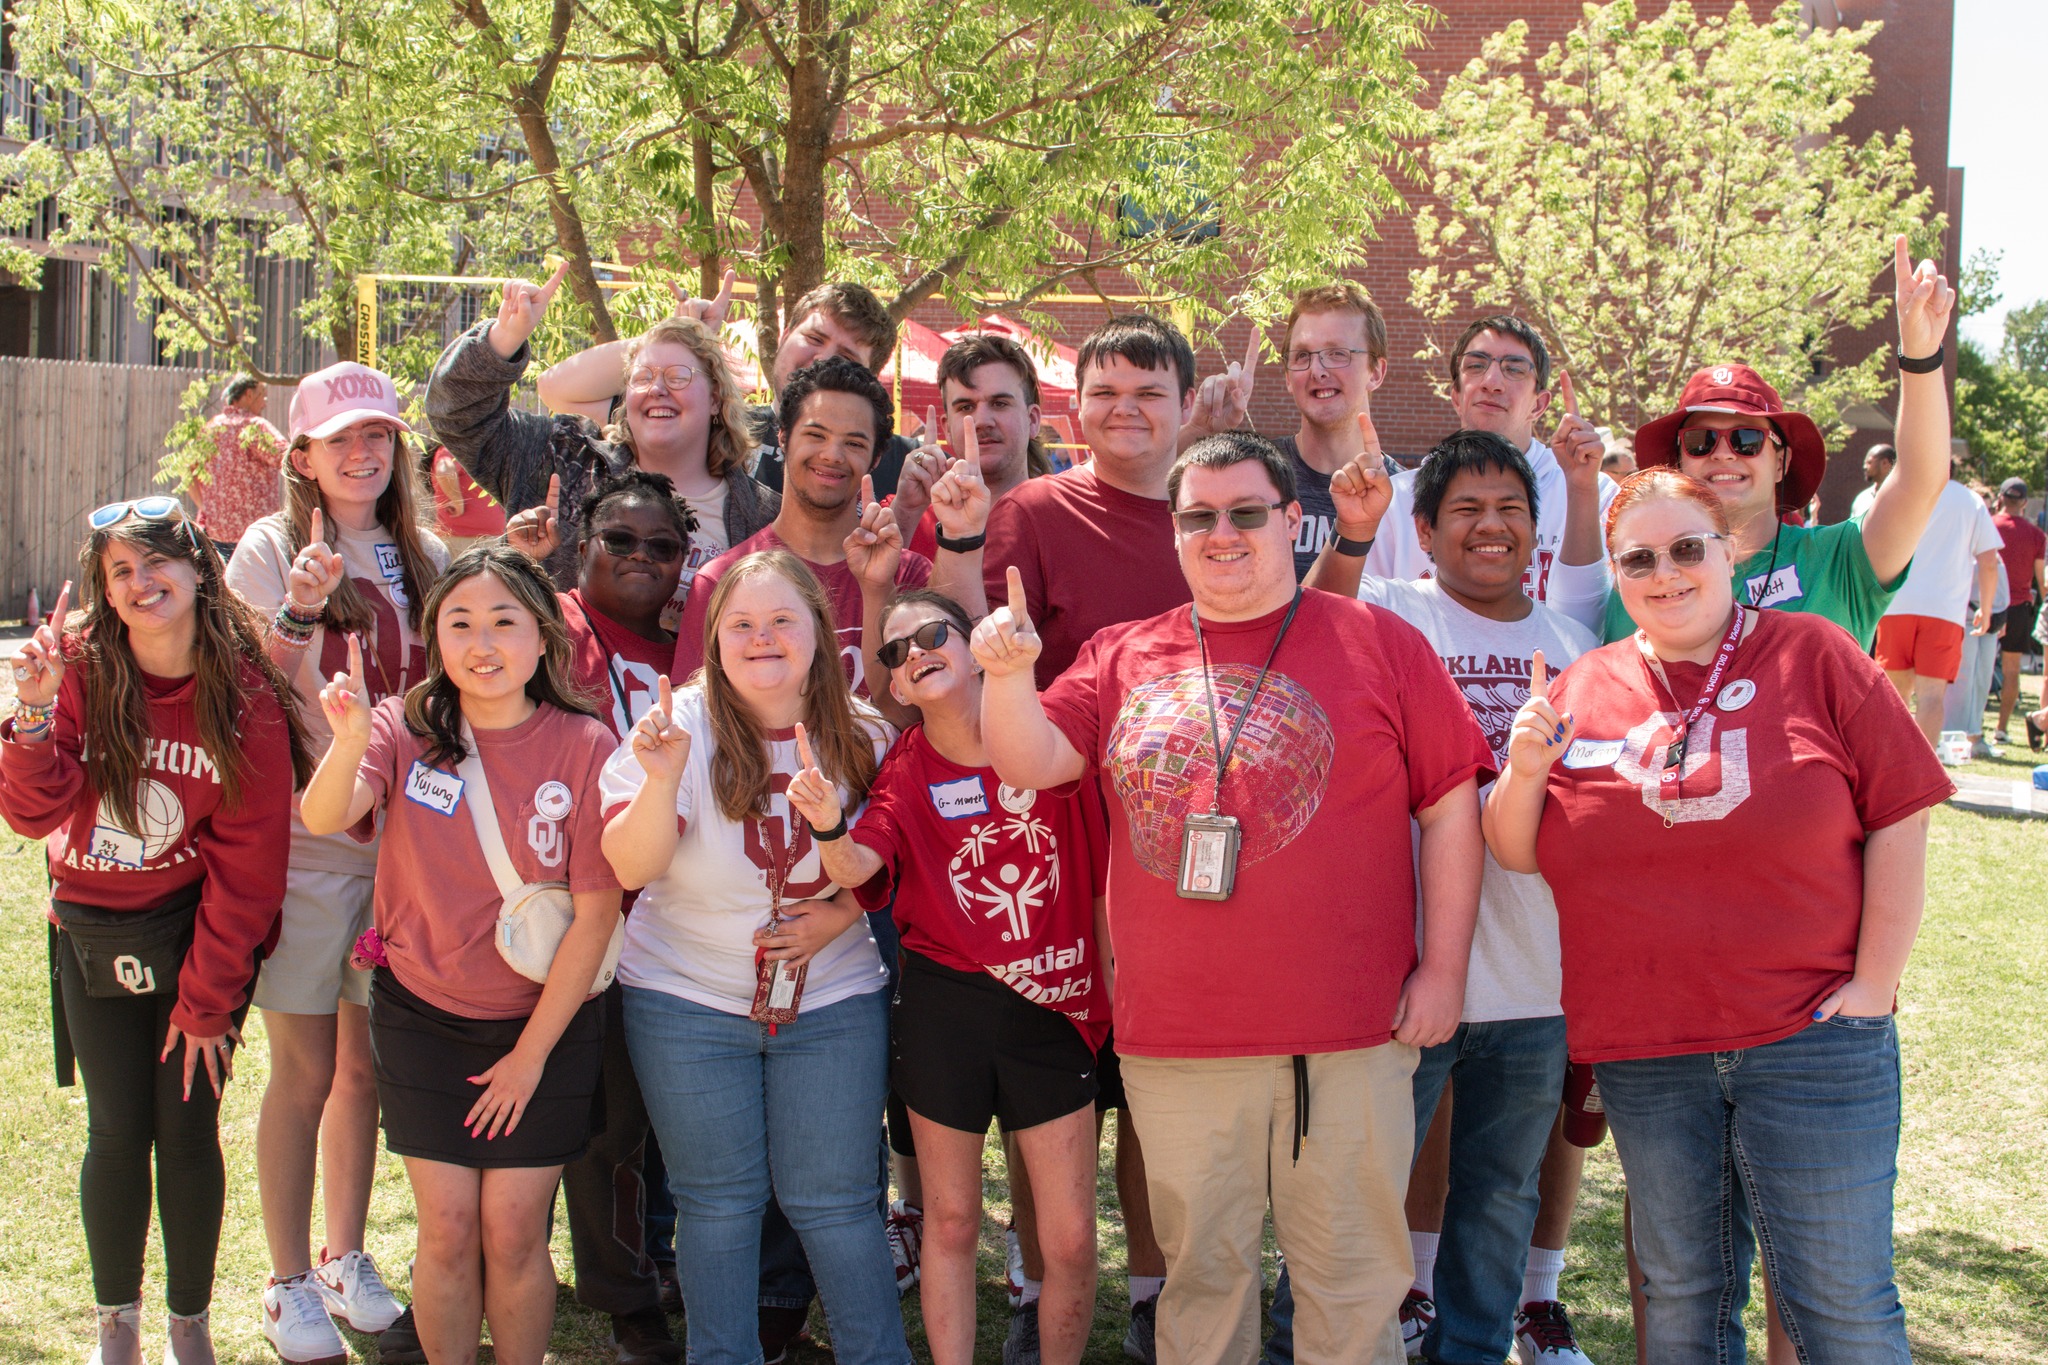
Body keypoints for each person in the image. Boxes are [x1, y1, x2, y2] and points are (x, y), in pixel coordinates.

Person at [976, 430, 1492, 1365]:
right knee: (1201, 1291)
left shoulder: (1382, 642)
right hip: (1180, 1038)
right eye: (1199, 515)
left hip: (1350, 1036)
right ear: (1174, 534)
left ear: (1294, 522)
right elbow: (1031, 758)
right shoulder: (1119, 653)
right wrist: (1009, 676)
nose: (1224, 533)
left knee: (1350, 1289)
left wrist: (1446, 968)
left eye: (1247, 510)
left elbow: (1452, 806)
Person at [1484, 467, 1953, 1364]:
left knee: (1841, 1306)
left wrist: (1874, 985)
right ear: (1616, 574)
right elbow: (1515, 847)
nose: (1666, 573)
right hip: (1649, 1051)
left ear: (1730, 550)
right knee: (1682, 1300)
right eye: (1640, 558)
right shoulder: (1585, 681)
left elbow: (1901, 809)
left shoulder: (1814, 652)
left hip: (1810, 1036)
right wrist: (1527, 764)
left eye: (1687, 548)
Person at [1301, 427, 1605, 1364]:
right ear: (1424, 531)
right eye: (1466, 508)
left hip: (1530, 981)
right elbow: (1305, 635)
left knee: (1501, 1194)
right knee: (1353, 1189)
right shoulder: (1390, 612)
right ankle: (1309, 1345)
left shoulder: (1577, 645)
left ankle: (1470, 1350)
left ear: (1536, 530)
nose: (1491, 526)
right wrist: (1353, 536)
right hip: (1398, 973)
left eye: (1510, 508)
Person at [298, 545, 624, 1365]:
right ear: (435, 636)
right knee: (445, 1233)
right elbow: (326, 813)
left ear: (543, 638)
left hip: (544, 1026)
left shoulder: (586, 745)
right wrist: (342, 739)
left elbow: (595, 915)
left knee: (514, 1235)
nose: (483, 642)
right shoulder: (402, 727)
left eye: (505, 622)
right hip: (420, 1016)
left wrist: (527, 1059)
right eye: (461, 622)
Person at [2, 502, 309, 1365]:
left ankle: (188, 1325)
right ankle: (117, 1326)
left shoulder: (242, 690)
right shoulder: (80, 671)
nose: (143, 584)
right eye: (121, 572)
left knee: (185, 1127)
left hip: (194, 935)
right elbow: (32, 814)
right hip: (92, 927)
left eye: (157, 564)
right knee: (115, 1127)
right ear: (104, 590)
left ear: (198, 570)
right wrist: (28, 717)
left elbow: (250, 868)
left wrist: (208, 1002)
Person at [782, 588, 1110, 1365]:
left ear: (971, 646)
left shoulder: (1050, 730)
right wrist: (828, 823)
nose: (916, 651)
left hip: (1052, 1006)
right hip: (943, 1009)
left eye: (933, 633)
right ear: (893, 684)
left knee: (1068, 1241)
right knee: (953, 1221)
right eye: (895, 650)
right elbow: (864, 866)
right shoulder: (905, 766)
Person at [600, 551, 910, 1365]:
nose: (762, 637)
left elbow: (900, 863)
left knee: (836, 1203)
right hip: (686, 998)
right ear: (713, 638)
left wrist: (837, 917)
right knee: (718, 1203)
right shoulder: (676, 725)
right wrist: (660, 782)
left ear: (819, 629)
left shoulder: (867, 733)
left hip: (832, 1001)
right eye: (741, 623)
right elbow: (629, 867)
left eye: (781, 620)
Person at [980, 311, 1202, 1360]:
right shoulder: (1030, 510)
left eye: (1147, 392)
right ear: (1074, 407)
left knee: (1157, 1088)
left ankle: (1156, 1293)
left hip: (1183, 853)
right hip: (1056, 842)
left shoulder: (1212, 517)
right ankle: (1036, 1288)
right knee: (1052, 1092)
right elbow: (994, 664)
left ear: (1185, 407)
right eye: (1104, 392)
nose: (1125, 412)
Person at [224, 360, 445, 1362]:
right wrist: (306, 608)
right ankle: (282, 1284)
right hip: (309, 846)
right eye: (342, 438)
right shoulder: (271, 549)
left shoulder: (421, 550)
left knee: (365, 1069)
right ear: (300, 457)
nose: (364, 454)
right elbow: (247, 689)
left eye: (379, 436)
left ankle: (343, 1257)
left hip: (401, 848)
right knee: (304, 1072)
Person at [1604, 235, 1957, 650]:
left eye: (1748, 439)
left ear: (1781, 462)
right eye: (1700, 441)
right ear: (1679, 464)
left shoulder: (1838, 562)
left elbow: (1920, 479)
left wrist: (1920, 355)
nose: (1723, 452)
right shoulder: (1642, 580)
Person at [553, 469, 696, 1364]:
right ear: (585, 546)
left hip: (685, 912)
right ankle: (624, 1295)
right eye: (621, 540)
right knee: (605, 1124)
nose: (641, 558)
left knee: (663, 1118)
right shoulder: (555, 624)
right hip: (589, 909)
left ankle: (658, 1259)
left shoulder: (697, 643)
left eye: (663, 546)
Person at [426, 264, 778, 598]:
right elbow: (459, 415)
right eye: (642, 377)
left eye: (678, 377)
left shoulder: (762, 517)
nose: (657, 389)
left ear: (715, 399)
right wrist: (505, 338)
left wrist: (686, 341)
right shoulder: (566, 464)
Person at [676, 356, 984, 693]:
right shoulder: (721, 581)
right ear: (782, 437)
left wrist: (960, 533)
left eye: (853, 443)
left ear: (875, 458)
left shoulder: (910, 577)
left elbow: (962, 692)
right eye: (816, 434)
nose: (832, 455)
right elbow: (694, 722)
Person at [537, 275, 920, 499]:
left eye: (847, 357)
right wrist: (683, 342)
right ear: (785, 335)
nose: (822, 359)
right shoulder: (714, 423)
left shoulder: (900, 462)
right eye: (815, 339)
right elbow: (558, 390)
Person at [1363, 314, 1619, 614]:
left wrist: (1581, 489)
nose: (1492, 382)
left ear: (1539, 404)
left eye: (1514, 369)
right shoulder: (1395, 499)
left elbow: (1601, 619)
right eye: (1475, 365)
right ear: (1456, 395)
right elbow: (1361, 617)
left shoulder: (1596, 493)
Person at [888, 332, 1056, 561]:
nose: (982, 421)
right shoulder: (908, 510)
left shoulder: (1065, 516)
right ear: (946, 427)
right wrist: (906, 513)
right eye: (966, 407)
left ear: (1033, 420)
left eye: (999, 404)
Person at [1269, 282, 1395, 580]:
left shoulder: (1405, 497)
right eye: (1302, 356)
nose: (1317, 370)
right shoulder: (1255, 480)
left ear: (1375, 372)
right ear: (1288, 376)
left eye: (1338, 353)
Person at [1872, 459, 2000, 749]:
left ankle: (1891, 766)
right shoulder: (1971, 500)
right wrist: (1987, 608)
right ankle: (1923, 778)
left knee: (1895, 693)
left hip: (1897, 602)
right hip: (1945, 609)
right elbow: (1989, 562)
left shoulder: (1904, 490)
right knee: (1932, 696)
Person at [190, 373, 285, 559]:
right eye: (262, 395)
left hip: (216, 534)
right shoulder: (255, 427)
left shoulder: (211, 428)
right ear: (249, 394)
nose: (265, 402)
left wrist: (206, 507)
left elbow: (189, 473)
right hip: (256, 538)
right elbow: (291, 460)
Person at [1990, 477, 2046, 744]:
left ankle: (1969, 728)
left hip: (1985, 606)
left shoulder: (1988, 525)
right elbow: (2041, 579)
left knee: (1974, 669)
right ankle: (2001, 730)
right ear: (2024, 502)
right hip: (2018, 609)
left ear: (2001, 498)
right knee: (2012, 671)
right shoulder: (2036, 535)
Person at [427, 444, 507, 559]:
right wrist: (457, 500)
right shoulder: (454, 446)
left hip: (490, 539)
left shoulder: (482, 448)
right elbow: (444, 470)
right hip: (461, 539)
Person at [1849, 443, 1897, 521]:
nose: (1864, 467)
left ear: (1885, 463)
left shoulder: (1902, 497)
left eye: (1869, 462)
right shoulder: (1862, 498)